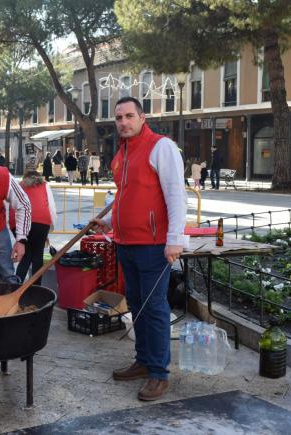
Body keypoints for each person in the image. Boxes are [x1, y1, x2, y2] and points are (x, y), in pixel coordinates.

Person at [91, 96, 186, 402]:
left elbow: (176, 194)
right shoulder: (121, 154)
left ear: (142, 117)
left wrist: (175, 239)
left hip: (153, 244)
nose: (124, 122)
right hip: (125, 242)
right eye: (119, 117)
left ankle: (159, 373)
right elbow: (126, 195)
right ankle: (144, 361)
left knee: (155, 307)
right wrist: (111, 224)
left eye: (129, 116)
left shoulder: (162, 147)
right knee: (136, 302)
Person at [10, 170, 57, 285]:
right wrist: (49, 229)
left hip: (19, 222)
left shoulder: (19, 185)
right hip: (42, 221)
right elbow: (51, 207)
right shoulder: (45, 185)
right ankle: (37, 287)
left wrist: (13, 229)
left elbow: (12, 206)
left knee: (26, 256)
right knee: (37, 255)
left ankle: (17, 286)